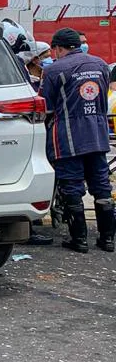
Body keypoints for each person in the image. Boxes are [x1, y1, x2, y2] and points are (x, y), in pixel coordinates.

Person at [39, 28, 115, 253]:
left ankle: (79, 240)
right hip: (98, 134)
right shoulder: (101, 65)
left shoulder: (54, 70)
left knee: (71, 185)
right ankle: (107, 239)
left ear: (59, 48)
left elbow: (47, 107)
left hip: (68, 136)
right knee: (101, 185)